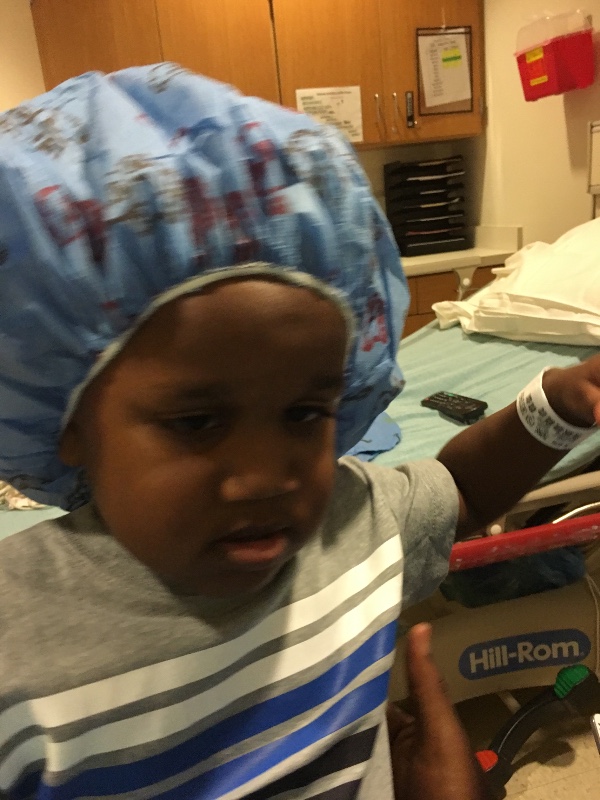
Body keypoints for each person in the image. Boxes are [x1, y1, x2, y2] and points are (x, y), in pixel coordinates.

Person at [0, 64, 598, 800]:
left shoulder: (348, 527)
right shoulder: (16, 639)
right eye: (196, 422)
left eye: (305, 413)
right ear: (68, 422)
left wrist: (554, 409)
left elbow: (464, 492)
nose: (266, 476)